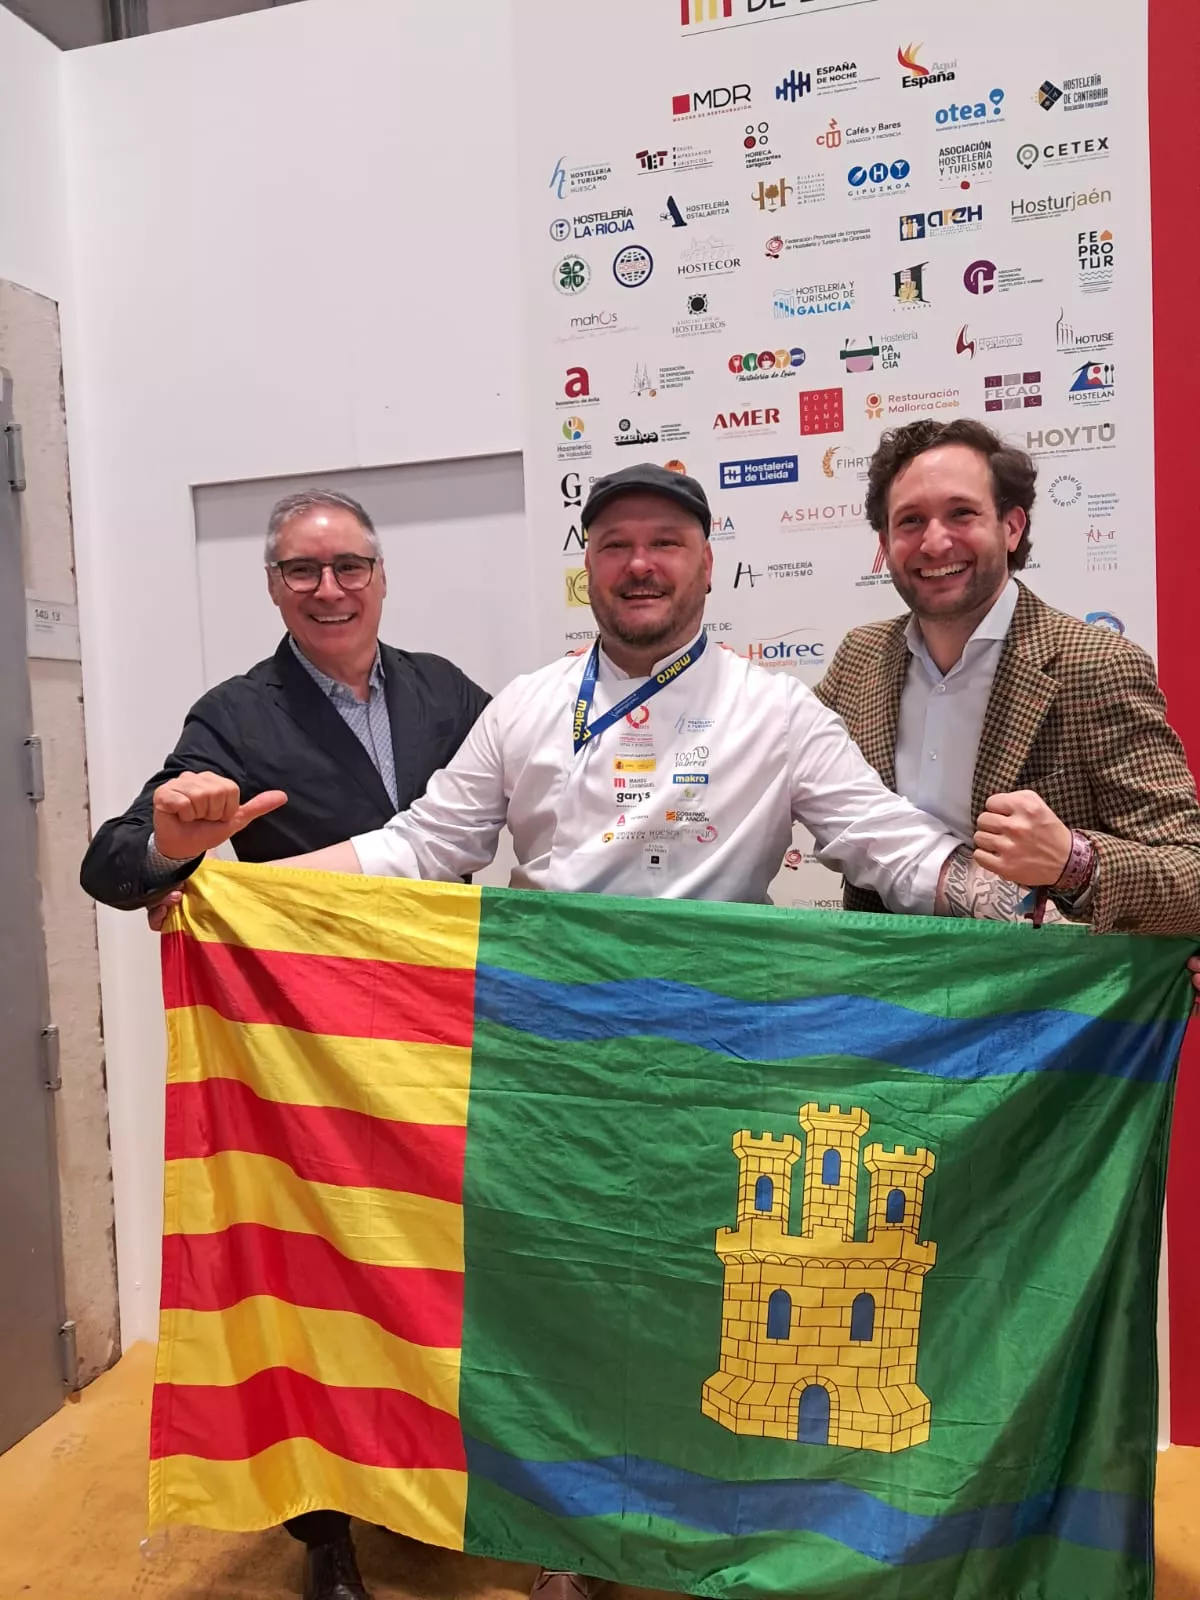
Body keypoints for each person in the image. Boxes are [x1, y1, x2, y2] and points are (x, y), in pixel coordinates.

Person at [146, 463, 1071, 1600]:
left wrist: (1029, 908)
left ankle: (699, 1531)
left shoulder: (776, 709)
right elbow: (418, 846)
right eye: (618, 542)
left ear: (704, 565)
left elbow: (888, 844)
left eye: (666, 543)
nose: (641, 564)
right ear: (588, 566)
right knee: (563, 1308)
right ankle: (571, 1548)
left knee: (700, 1311)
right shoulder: (526, 707)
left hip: (719, 1068)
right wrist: (236, 894)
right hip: (551, 1071)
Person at [80, 488, 490, 1600]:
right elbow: (114, 864)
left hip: (438, 1047)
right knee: (310, 1293)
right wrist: (172, 844)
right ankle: (327, 1537)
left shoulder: (447, 691)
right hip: (303, 1066)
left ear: (380, 574)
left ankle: (431, 1479)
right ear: (272, 586)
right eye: (302, 571)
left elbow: (547, 790)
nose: (328, 588)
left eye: (348, 565)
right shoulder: (236, 715)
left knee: (430, 1280)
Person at [812, 417, 1200, 937]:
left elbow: (1190, 874)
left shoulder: (1094, 665)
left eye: (961, 513)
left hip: (1036, 1004)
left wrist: (1073, 861)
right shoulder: (860, 658)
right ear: (885, 540)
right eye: (909, 521)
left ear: (1011, 526)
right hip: (887, 996)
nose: (934, 542)